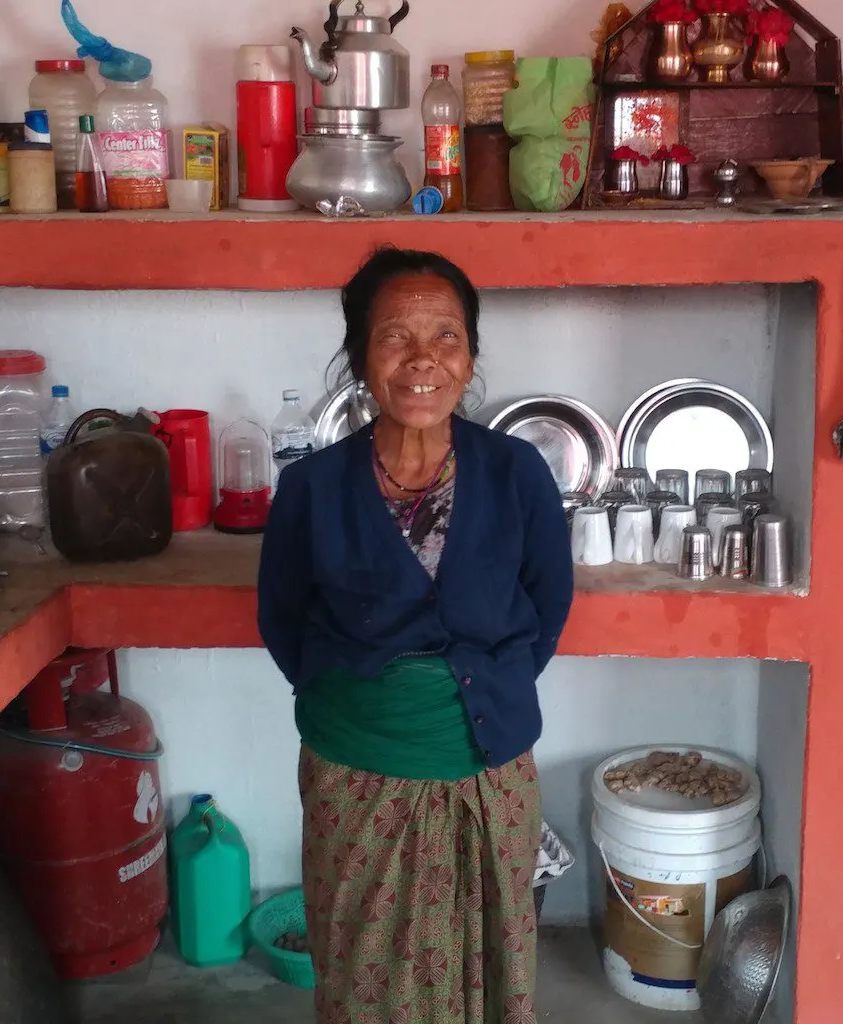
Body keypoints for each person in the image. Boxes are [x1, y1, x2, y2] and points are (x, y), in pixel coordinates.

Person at [258, 247, 574, 1024]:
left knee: (490, 963)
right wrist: (378, 701)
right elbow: (282, 618)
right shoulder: (312, 488)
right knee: (367, 971)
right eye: (395, 336)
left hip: (488, 763)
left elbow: (547, 604)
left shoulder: (517, 472)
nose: (423, 359)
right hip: (357, 770)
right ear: (361, 357)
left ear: (470, 353)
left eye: (447, 336)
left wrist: (475, 692)